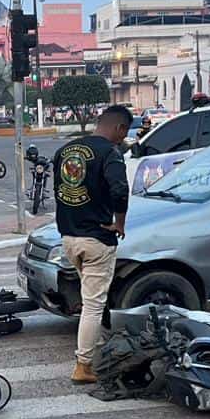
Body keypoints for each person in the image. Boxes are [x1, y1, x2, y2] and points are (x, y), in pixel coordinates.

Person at [53, 104, 132, 383]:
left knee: (90, 299)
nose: (123, 139)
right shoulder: (110, 153)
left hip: (68, 236)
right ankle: (83, 365)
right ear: (119, 128)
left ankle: (95, 346)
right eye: (124, 133)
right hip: (96, 237)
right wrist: (119, 222)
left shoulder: (65, 151)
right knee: (93, 304)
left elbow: (61, 190)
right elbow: (120, 189)